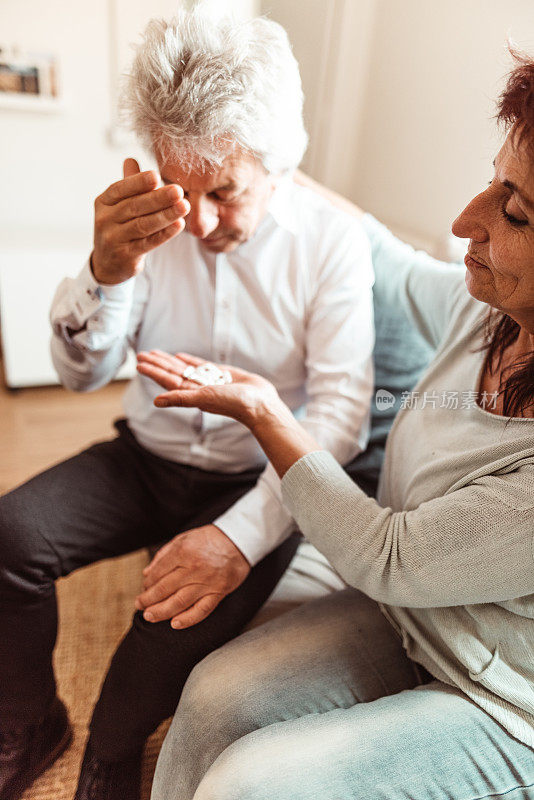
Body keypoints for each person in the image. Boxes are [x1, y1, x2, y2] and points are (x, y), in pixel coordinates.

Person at [0, 10, 376, 800]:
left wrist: (239, 540)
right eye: (181, 188)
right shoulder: (145, 228)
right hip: (145, 458)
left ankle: (106, 749)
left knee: (152, 655)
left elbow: (340, 415)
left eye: (225, 191)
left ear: (278, 162)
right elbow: (79, 375)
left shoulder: (333, 243)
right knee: (10, 534)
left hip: (255, 483)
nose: (196, 223)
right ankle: (32, 722)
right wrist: (104, 272)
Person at [139, 50, 534, 800]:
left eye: (513, 211)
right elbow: (386, 250)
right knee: (214, 695)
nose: (464, 222)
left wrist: (263, 411)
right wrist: (259, 168)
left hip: (506, 700)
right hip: (415, 615)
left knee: (249, 785)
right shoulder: (486, 311)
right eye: (494, 180)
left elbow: (387, 555)